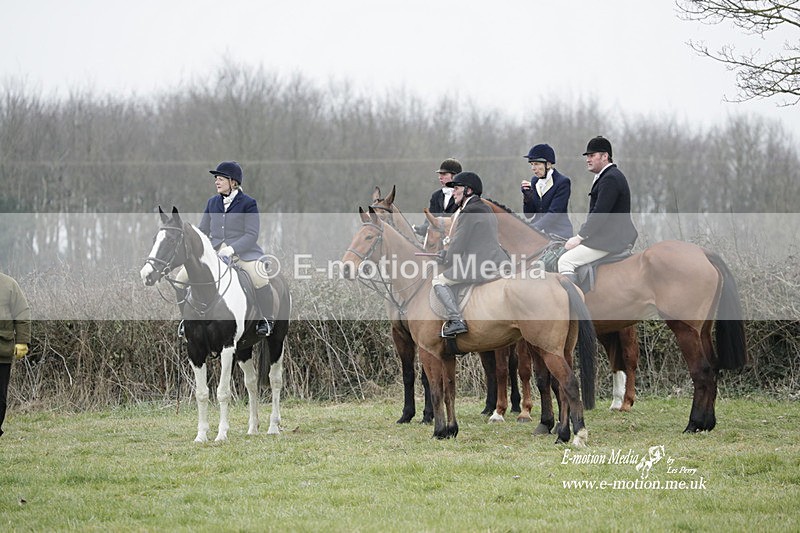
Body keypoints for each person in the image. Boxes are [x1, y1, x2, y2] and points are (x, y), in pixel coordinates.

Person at [176, 161, 274, 337]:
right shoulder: (212, 202)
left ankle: (266, 320)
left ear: (233, 182)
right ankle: (186, 320)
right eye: (216, 179)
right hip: (213, 254)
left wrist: (232, 249)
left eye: (220, 179)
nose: (216, 182)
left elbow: (252, 234)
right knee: (180, 278)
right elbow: (203, 231)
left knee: (260, 277)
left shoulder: (248, 203)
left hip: (242, 253)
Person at [432, 171, 509, 337]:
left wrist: (445, 256)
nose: (453, 193)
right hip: (499, 260)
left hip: (478, 264)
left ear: (468, 190)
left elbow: (458, 245)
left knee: (439, 280)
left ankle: (456, 320)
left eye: (457, 188)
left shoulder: (468, 212)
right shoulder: (486, 209)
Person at [558, 136, 638, 284]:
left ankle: (575, 307)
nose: (588, 159)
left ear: (605, 156)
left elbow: (600, 214)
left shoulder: (610, 178)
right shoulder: (606, 176)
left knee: (565, 261)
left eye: (592, 155)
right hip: (608, 236)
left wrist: (579, 237)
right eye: (587, 156)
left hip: (610, 239)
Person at [0, 271, 31, 437]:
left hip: (2, 352)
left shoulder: (9, 285)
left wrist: (22, 341)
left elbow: (22, 313)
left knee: (0, 398)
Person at [520, 143, 573, 239]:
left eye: (536, 164)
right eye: (532, 164)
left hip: (559, 234)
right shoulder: (535, 181)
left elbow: (554, 213)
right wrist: (527, 198)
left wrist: (533, 229)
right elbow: (529, 214)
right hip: (538, 234)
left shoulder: (562, 182)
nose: (533, 168)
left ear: (548, 164)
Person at [413, 158, 462, 237]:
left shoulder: (462, 196)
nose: (440, 177)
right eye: (439, 174)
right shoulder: (436, 196)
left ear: (455, 176)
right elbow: (430, 219)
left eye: (444, 174)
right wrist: (420, 229)